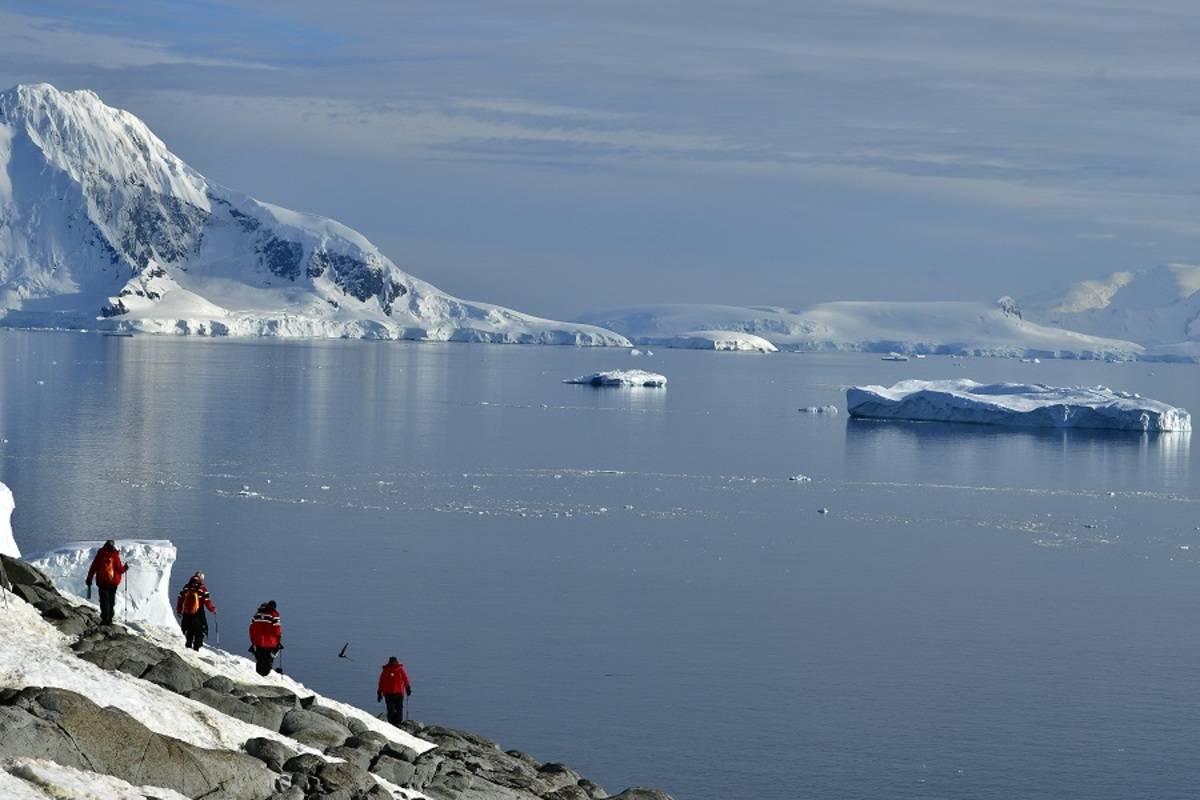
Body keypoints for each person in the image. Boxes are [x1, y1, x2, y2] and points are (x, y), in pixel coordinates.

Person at [85, 540, 129, 625]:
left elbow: (93, 568)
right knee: (111, 601)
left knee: (103, 600)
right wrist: (125, 568)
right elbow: (119, 570)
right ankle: (109, 619)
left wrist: (89, 579)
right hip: (113, 583)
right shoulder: (115, 556)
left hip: (102, 582)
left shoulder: (100, 555)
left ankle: (104, 618)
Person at [175, 572, 217, 650]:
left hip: (187, 612)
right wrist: (213, 609)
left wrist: (179, 610)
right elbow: (207, 601)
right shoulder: (202, 588)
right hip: (198, 613)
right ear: (201, 578)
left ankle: (188, 646)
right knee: (199, 631)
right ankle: (196, 649)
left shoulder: (186, 587)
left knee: (189, 630)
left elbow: (180, 598)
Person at [249, 600, 282, 676]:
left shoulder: (256, 615)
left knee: (260, 659)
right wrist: (278, 639)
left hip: (258, 641)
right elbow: (277, 629)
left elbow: (251, 629)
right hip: (270, 642)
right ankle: (266, 675)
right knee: (268, 659)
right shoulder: (274, 614)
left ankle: (259, 674)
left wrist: (253, 641)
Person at [377, 656, 412, 726]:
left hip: (388, 693)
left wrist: (379, 692)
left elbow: (381, 682)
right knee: (399, 708)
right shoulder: (400, 669)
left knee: (390, 709)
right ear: (397, 662)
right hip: (398, 693)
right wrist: (408, 688)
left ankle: (392, 723)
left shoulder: (385, 670)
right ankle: (398, 723)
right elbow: (406, 679)